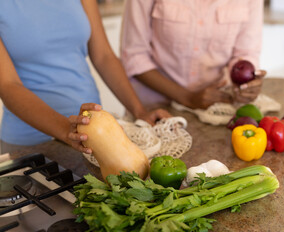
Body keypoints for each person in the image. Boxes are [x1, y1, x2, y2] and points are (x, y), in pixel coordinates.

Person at [0, 0, 171, 154]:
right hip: (31, 143)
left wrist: (139, 111)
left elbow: (104, 56)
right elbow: (8, 85)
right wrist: (67, 129)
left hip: (93, 133)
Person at [120, 0, 265, 110]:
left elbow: (246, 52)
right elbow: (134, 56)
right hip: (154, 108)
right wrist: (187, 98)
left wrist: (245, 83)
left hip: (215, 107)